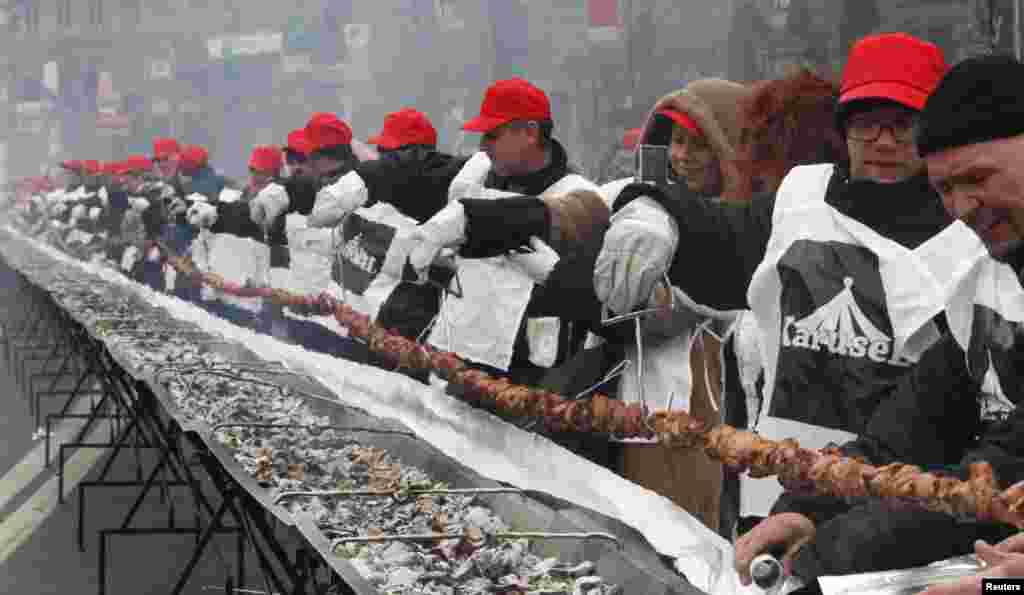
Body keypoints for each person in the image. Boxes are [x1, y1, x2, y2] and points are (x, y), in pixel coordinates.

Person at [305, 107, 467, 343]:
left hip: (384, 343)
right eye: (382, 152)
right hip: (336, 327)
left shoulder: (436, 226)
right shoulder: (365, 204)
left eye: (389, 153)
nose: (383, 160)